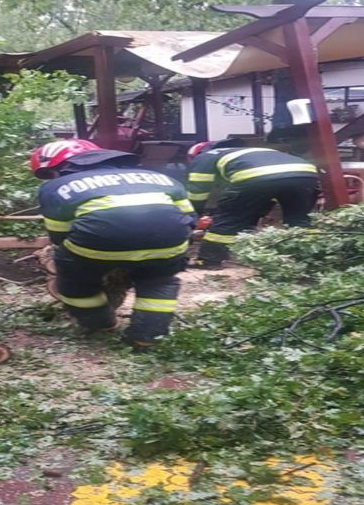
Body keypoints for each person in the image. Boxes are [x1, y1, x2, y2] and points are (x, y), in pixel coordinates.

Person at [32, 139, 195, 349]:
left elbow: (59, 234)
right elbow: (190, 217)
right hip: (169, 242)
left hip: (96, 245)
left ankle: (100, 323)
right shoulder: (160, 177)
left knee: (75, 279)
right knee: (159, 281)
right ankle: (147, 337)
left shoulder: (55, 187)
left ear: (57, 165)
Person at [186, 138, 319, 268]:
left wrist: (193, 214)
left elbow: (197, 191)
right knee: (299, 219)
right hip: (306, 174)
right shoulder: (251, 153)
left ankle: (210, 259)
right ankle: (310, 257)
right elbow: (274, 188)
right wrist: (261, 209)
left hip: (256, 177)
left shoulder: (205, 157)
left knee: (230, 218)